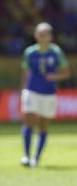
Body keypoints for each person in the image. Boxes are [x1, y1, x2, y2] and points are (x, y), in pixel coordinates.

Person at [20, 22, 70, 168]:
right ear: (35, 36)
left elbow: (66, 73)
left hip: (48, 93)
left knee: (43, 125)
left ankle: (37, 158)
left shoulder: (56, 52)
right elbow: (26, 73)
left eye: (45, 34)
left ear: (50, 37)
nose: (42, 37)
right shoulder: (30, 52)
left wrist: (53, 77)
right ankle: (26, 156)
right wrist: (23, 90)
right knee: (29, 121)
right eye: (39, 34)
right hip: (32, 91)